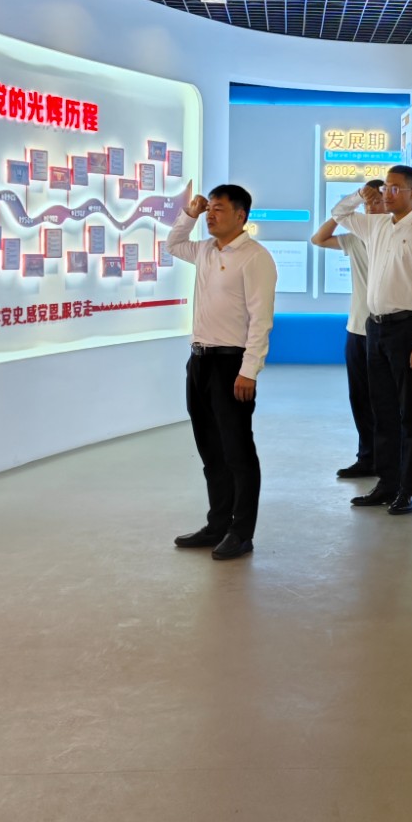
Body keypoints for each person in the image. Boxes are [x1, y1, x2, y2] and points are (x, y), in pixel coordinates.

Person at [167, 184, 278, 561]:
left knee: (237, 451)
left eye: (218, 209)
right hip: (199, 361)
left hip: (232, 364)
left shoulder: (255, 257)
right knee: (210, 450)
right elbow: (172, 243)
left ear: (241, 215)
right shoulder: (204, 250)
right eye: (209, 208)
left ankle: (241, 532)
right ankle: (217, 524)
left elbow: (261, 320)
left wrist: (250, 370)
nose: (210, 215)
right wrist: (190, 213)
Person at [337, 165, 412, 515]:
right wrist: (359, 194)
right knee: (382, 409)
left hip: (406, 329)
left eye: (395, 188)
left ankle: (409, 489)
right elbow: (339, 214)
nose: (387, 193)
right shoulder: (377, 224)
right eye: (385, 187)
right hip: (375, 327)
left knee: (409, 412)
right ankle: (386, 482)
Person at [313, 179, 385, 479]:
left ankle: (388, 461)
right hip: (356, 329)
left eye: (377, 200)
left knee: (385, 399)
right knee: (360, 397)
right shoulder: (356, 238)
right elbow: (319, 238)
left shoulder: (395, 236)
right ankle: (367, 457)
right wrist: (355, 198)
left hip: (385, 330)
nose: (372, 207)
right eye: (368, 202)